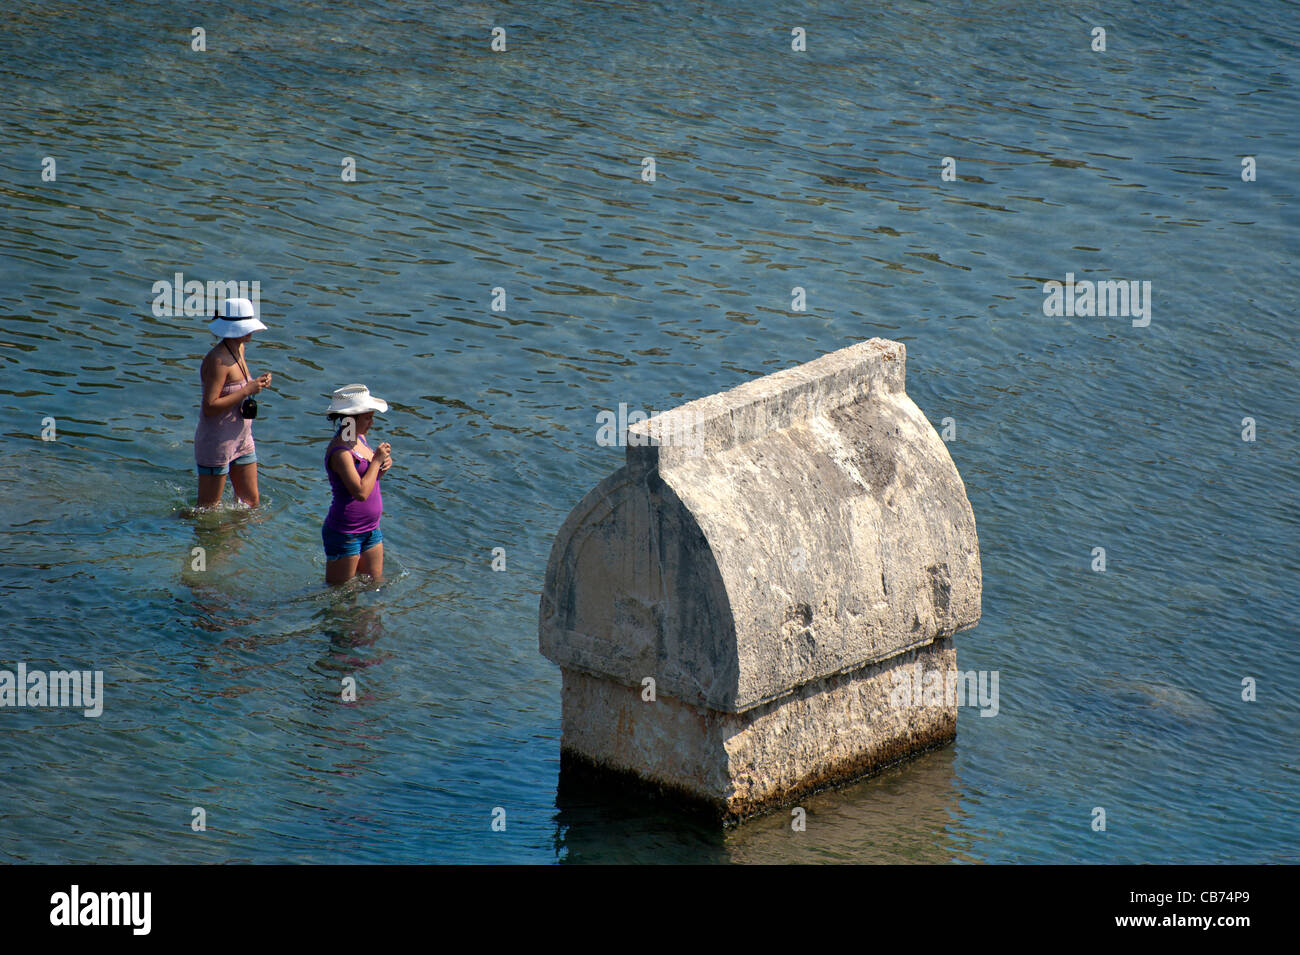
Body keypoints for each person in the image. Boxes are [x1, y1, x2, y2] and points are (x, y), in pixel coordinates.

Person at [195, 298, 273, 508]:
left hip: (242, 439)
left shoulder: (239, 349)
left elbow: (237, 388)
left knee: (250, 502)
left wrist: (257, 383)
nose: (251, 332)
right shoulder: (218, 360)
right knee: (207, 509)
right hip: (218, 442)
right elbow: (209, 406)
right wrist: (247, 390)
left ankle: (238, 540)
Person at [322, 384, 393, 585]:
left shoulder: (359, 438)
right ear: (351, 419)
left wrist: (383, 465)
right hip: (346, 532)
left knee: (374, 587)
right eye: (368, 417)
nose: (371, 422)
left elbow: (371, 477)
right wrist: (377, 461)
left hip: (371, 529)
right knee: (341, 599)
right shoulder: (341, 452)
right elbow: (360, 492)